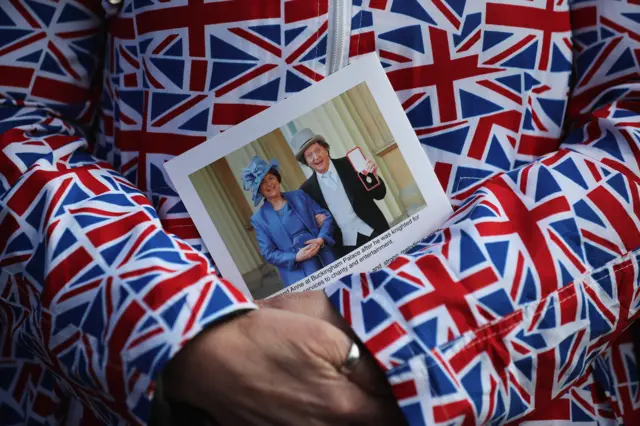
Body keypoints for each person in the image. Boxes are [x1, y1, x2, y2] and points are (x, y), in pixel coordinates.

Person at [2, 1, 640, 425]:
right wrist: (172, 324)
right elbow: (15, 118)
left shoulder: (330, 181)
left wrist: (424, 331)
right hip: (170, 397)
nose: (290, 176)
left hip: (531, 388)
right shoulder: (274, 207)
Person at [292, 128, 391, 257]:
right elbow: (313, 226)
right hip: (346, 250)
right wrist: (316, 222)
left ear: (326, 149)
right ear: (306, 162)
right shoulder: (306, 190)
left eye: (318, 150)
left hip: (376, 231)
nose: (316, 157)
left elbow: (379, 194)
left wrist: (374, 178)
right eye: (309, 155)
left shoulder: (350, 163)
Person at [241, 156, 337, 287]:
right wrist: (296, 257)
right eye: (263, 182)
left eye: (271, 178)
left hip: (325, 259)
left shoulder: (299, 195)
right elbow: (268, 253)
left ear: (277, 179)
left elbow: (326, 217)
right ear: (259, 190)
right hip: (298, 274)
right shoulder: (259, 219)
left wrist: (321, 239)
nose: (269, 184)